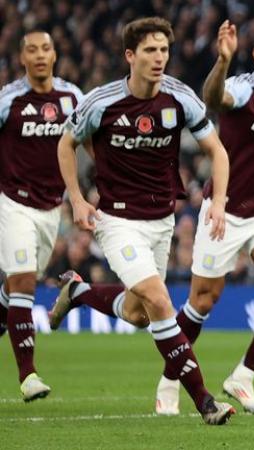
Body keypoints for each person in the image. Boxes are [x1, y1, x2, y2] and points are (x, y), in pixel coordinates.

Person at [50, 17, 233, 425]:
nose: (159, 58)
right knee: (160, 300)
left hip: (162, 220)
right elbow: (66, 144)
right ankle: (206, 401)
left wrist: (218, 203)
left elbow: (218, 152)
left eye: (164, 50)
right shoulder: (101, 101)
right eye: (150, 50)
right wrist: (77, 200)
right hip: (117, 221)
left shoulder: (179, 97)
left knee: (137, 314)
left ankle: (77, 293)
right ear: (130, 56)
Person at [153, 21, 254, 416]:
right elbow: (214, 97)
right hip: (224, 208)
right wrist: (222, 61)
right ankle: (171, 377)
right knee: (203, 300)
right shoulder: (243, 87)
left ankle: (243, 375)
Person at [0, 30, 83, 401]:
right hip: (11, 202)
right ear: (22, 58)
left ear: (54, 55)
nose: (38, 55)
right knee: (23, 283)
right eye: (30, 49)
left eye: (45, 48)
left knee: (17, 287)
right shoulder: (8, 100)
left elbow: (93, 141)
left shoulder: (73, 98)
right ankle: (28, 375)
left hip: (51, 208)